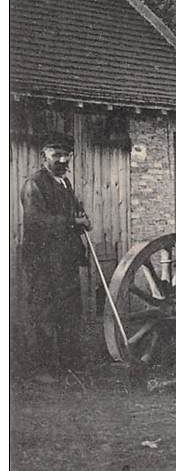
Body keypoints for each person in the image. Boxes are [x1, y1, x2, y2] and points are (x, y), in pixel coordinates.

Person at [19, 132, 91, 382]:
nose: (62, 160)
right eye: (56, 154)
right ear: (44, 156)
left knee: (69, 310)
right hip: (43, 260)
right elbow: (38, 221)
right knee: (44, 312)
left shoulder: (65, 184)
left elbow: (71, 213)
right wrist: (73, 222)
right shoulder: (34, 184)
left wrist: (81, 219)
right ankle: (42, 369)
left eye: (66, 155)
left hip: (66, 258)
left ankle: (69, 363)